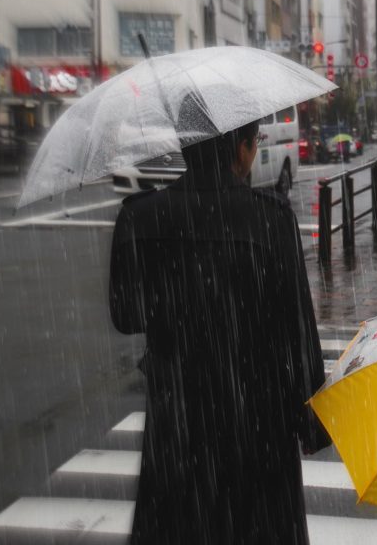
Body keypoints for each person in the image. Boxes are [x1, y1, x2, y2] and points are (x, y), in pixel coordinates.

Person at [109, 97, 330, 544]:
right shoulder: (270, 219)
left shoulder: (140, 215)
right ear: (243, 149)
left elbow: (126, 316)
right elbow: (298, 333)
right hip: (258, 423)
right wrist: (310, 419)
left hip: (179, 421)